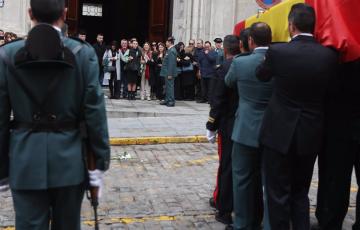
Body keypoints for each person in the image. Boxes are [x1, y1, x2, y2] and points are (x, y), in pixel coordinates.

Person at [0, 0, 110, 229]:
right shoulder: (82, 53)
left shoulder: (7, 56)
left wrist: (2, 168)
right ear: (65, 13)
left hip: (25, 159)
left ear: (30, 13)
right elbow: (94, 112)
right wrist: (100, 161)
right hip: (69, 161)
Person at [256, 3, 338, 229]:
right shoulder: (328, 55)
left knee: (277, 194)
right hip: (310, 133)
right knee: (301, 192)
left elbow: (262, 75)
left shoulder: (278, 51)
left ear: (291, 26)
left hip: (278, 133)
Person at [225, 22, 273, 230]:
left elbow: (228, 82)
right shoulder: (280, 61)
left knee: (242, 179)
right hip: (273, 129)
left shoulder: (240, 62)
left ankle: (243, 224)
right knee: (271, 184)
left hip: (244, 128)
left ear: (250, 41)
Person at [315, 58, 360, 228]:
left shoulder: (335, 62)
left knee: (335, 180)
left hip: (338, 129)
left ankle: (330, 222)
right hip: (342, 126)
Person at [206, 34, 244, 228]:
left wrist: (211, 125)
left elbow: (217, 100)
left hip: (228, 125)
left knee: (227, 166)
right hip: (246, 125)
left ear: (226, 50)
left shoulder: (225, 68)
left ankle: (223, 207)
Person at [160, 36, 178, 107]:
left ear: (170, 42)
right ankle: (167, 99)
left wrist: (170, 74)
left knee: (170, 87)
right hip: (166, 72)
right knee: (167, 87)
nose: (166, 43)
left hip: (169, 73)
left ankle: (171, 101)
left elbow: (171, 63)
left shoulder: (172, 51)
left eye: (166, 42)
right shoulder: (169, 50)